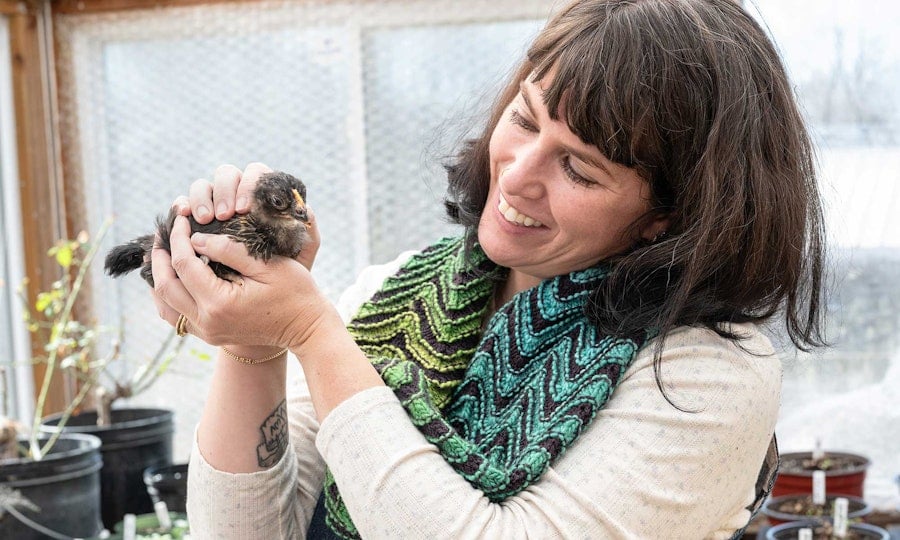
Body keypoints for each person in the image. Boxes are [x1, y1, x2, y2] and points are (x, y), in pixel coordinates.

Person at [150, 0, 826, 537]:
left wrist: (313, 336)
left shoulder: (703, 376)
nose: (518, 176)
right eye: (526, 121)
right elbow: (245, 531)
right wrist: (254, 344)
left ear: (669, 216)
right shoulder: (398, 292)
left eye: (578, 168)